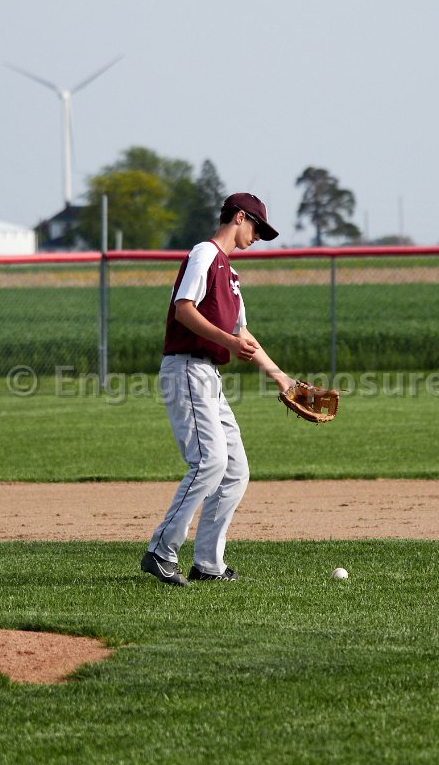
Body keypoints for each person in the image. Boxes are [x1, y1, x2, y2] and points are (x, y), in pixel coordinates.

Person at [141, 193, 293, 586]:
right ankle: (161, 550)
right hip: (187, 368)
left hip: (208, 374)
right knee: (209, 462)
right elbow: (184, 309)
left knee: (235, 470)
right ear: (239, 217)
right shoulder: (205, 254)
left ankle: (208, 564)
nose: (258, 236)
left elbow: (243, 333)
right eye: (256, 227)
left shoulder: (231, 275)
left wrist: (281, 377)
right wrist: (229, 342)